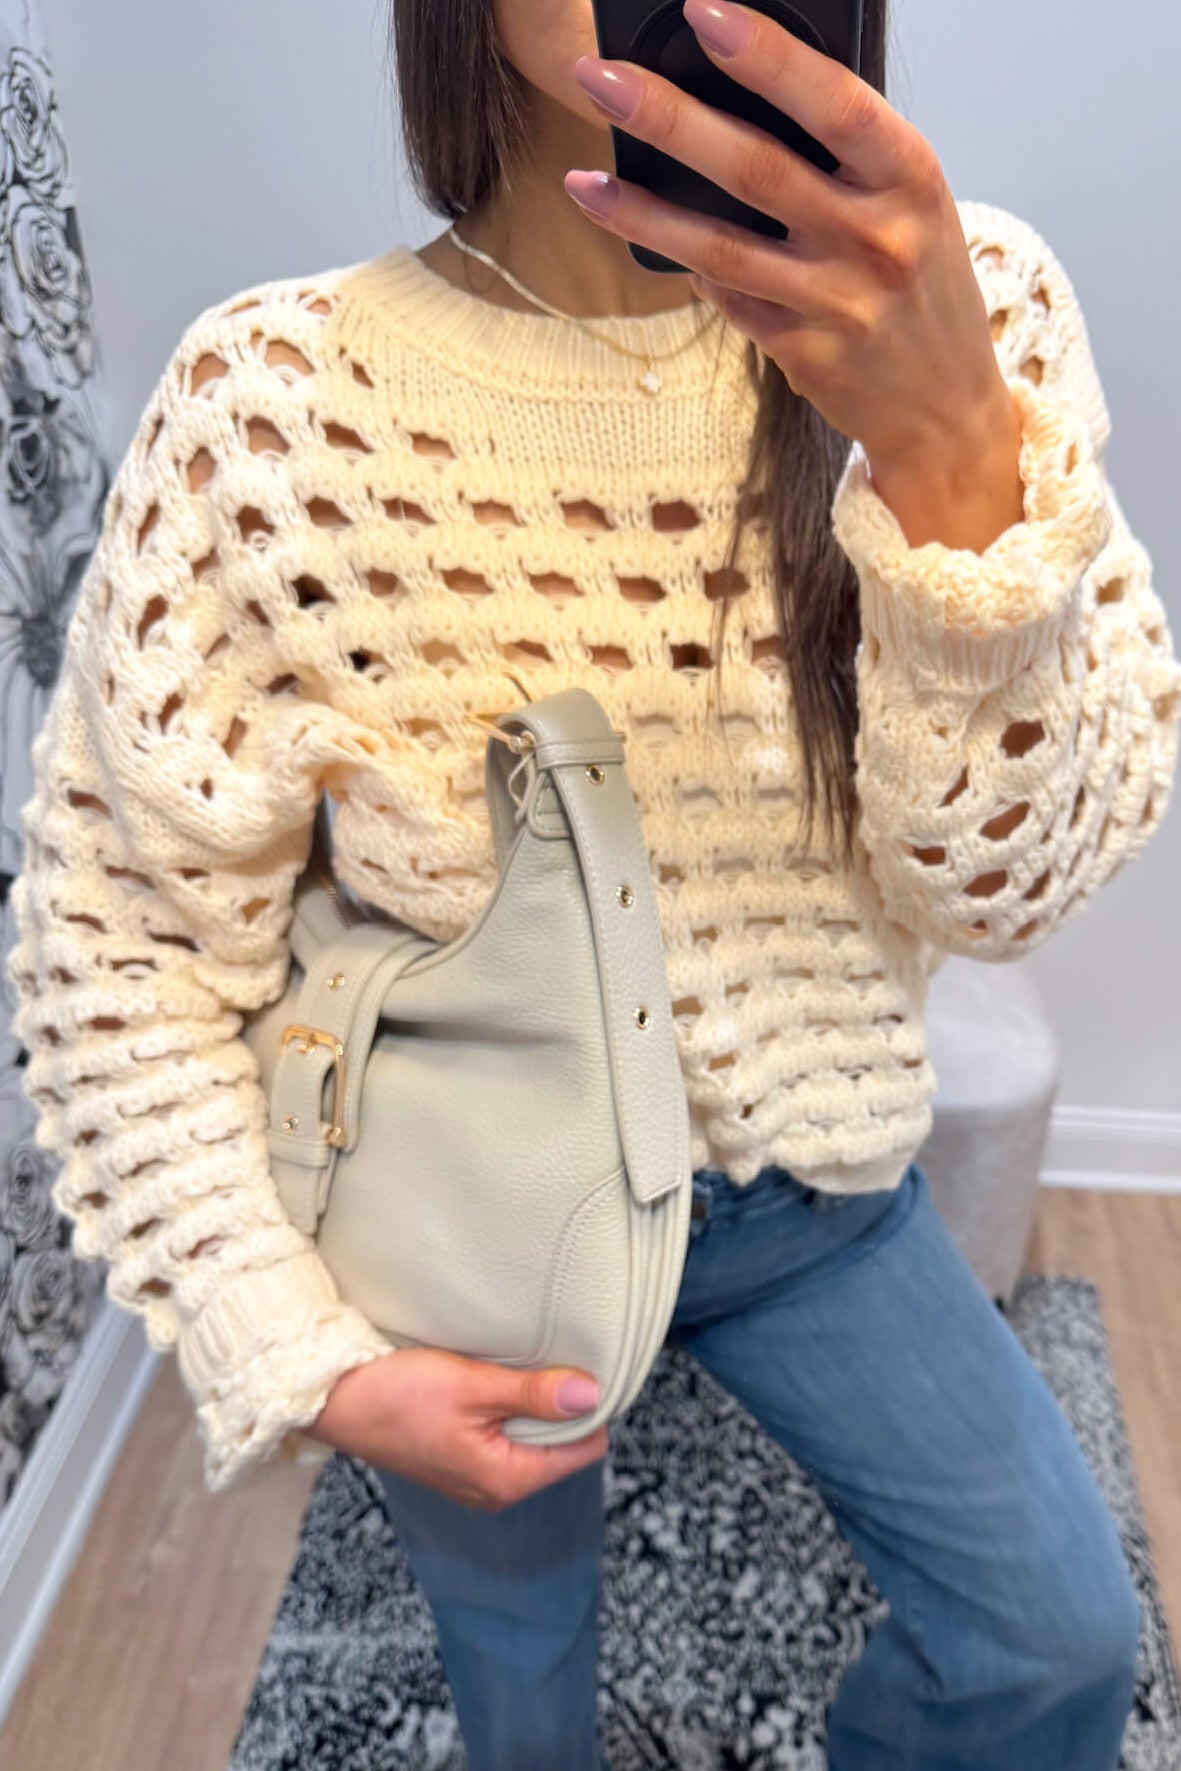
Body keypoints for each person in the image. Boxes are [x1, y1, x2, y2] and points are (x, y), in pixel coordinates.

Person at [7, 0, 1179, 1765]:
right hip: (464, 1214)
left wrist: (950, 463)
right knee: (520, 1677)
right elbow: (125, 942)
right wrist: (296, 1350)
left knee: (1053, 1642)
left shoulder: (964, 313)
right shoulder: (271, 401)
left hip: (809, 1190)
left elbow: (999, 897)